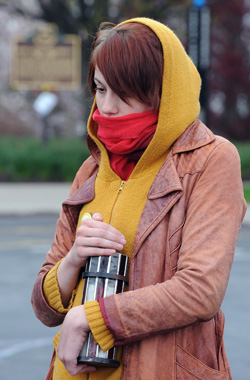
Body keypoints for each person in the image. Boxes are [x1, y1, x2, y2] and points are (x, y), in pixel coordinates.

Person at [31, 17, 247, 380]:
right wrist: (72, 260)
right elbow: (45, 307)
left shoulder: (210, 159)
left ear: (163, 90)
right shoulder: (92, 166)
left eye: (123, 92)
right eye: (100, 89)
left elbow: (199, 290)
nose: (108, 107)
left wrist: (92, 316)